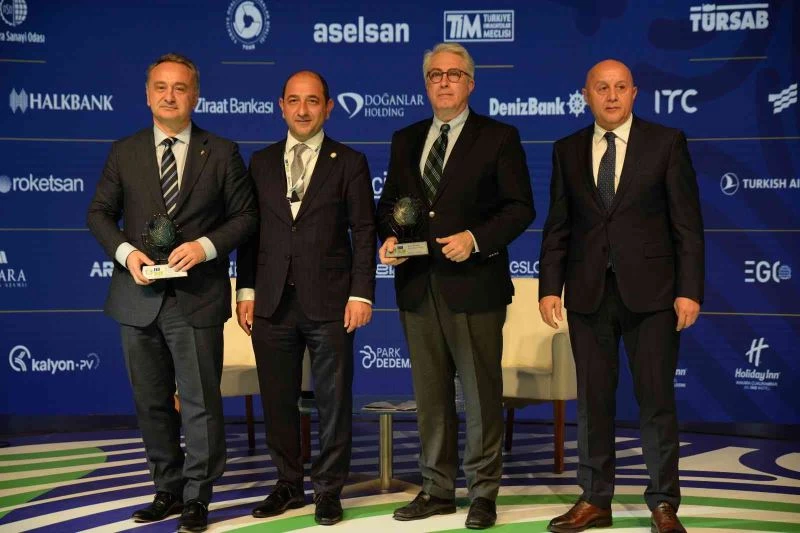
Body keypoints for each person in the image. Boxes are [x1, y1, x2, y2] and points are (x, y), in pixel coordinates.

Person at [87, 53, 257, 532]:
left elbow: (246, 217)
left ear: (195, 96)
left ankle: (199, 495)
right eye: (160, 87)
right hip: (137, 297)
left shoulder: (221, 152)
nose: (169, 96)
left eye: (180, 88)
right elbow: (99, 213)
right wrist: (126, 254)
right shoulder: (124, 151)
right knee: (152, 401)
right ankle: (168, 488)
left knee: (200, 401)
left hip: (196, 297)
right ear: (147, 95)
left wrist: (204, 247)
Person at [538, 59, 704, 533]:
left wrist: (689, 290)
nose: (611, 96)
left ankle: (664, 503)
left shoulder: (666, 143)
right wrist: (550, 287)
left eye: (620, 87)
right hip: (587, 295)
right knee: (593, 402)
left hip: (653, 296)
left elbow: (687, 225)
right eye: (601, 88)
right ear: (585, 95)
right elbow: (558, 225)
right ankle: (595, 500)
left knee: (656, 400)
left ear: (634, 93)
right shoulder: (566, 149)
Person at [377, 43, 535, 530]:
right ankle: (437, 488)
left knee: (481, 395)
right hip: (417, 285)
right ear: (426, 83)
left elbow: (520, 208)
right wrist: (389, 235)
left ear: (471, 83)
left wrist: (475, 239)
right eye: (435, 75)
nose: (444, 82)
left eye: (454, 74)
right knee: (430, 396)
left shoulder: (499, 137)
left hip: (474, 285)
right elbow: (391, 205)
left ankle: (483, 492)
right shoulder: (405, 139)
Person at [236, 70, 376, 526]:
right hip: (271, 301)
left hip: (331, 302)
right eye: (294, 100)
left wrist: (361, 293)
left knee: (333, 402)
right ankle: (288, 484)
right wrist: (246, 289)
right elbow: (249, 232)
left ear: (328, 108)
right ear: (281, 106)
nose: (302, 110)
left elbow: (364, 231)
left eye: (312, 101)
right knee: (277, 400)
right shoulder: (260, 162)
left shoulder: (349, 161)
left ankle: (328, 490)